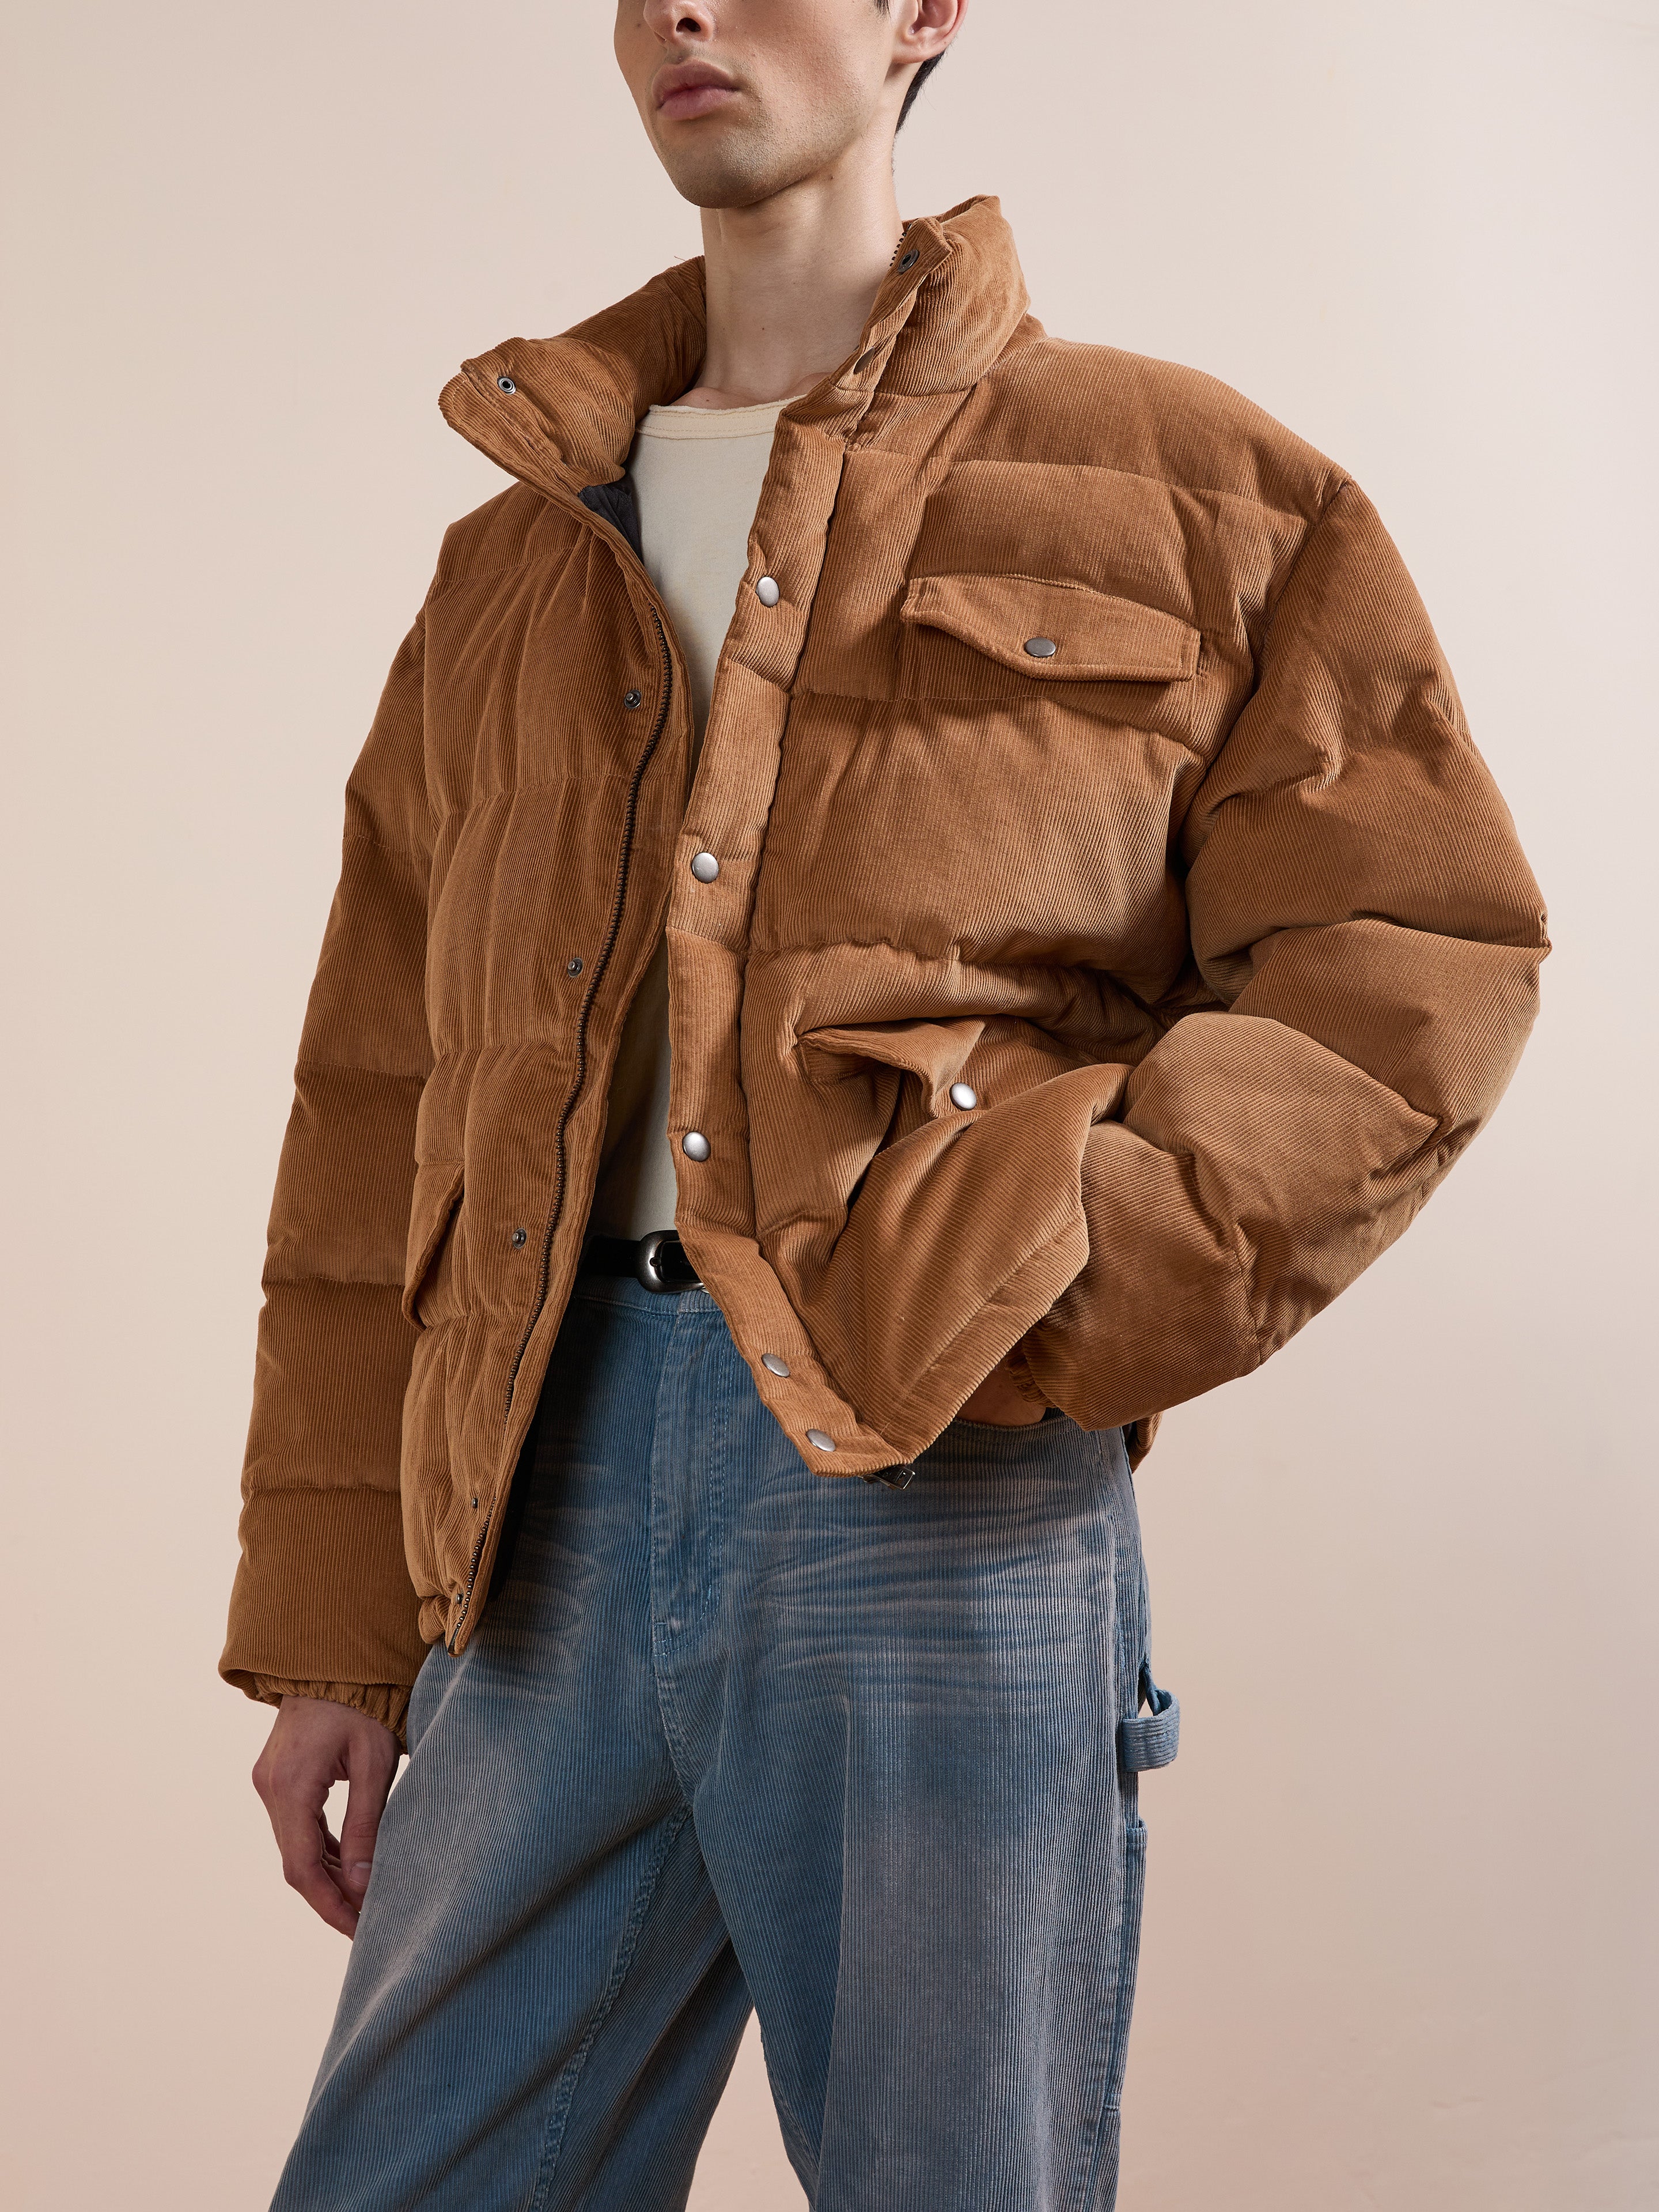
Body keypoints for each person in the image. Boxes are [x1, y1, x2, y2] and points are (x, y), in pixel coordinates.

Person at [222, 3, 1546, 2205]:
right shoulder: (511, 566)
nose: (687, 18)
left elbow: (1411, 956)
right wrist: (333, 1622)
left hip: (939, 1486)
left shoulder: (1197, 492)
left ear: (929, 11)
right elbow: (380, 1100)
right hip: (529, 1507)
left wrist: (1059, 1265)